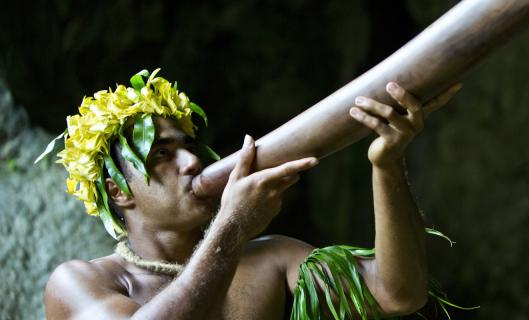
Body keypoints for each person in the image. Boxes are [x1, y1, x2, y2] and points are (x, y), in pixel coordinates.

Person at [43, 69, 460, 319]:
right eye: (161, 155)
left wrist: (386, 165)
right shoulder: (81, 281)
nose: (191, 164)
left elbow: (398, 294)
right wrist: (232, 226)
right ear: (118, 191)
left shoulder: (271, 258)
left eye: (189, 147)